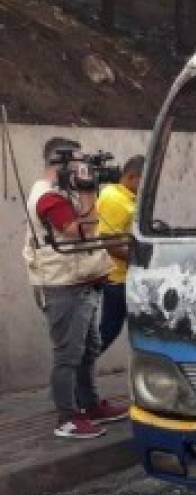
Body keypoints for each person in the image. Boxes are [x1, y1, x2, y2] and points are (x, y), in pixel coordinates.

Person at [23, 138, 126, 440]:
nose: (84, 170)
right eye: (79, 164)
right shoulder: (47, 198)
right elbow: (81, 231)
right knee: (68, 354)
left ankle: (90, 405)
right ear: (62, 163)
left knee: (89, 349)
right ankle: (67, 417)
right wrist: (87, 190)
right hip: (62, 287)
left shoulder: (57, 193)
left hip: (81, 282)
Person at [96, 155, 143, 354]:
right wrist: (142, 259)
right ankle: (78, 372)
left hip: (126, 276)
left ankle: (80, 374)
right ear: (132, 176)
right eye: (143, 180)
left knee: (112, 329)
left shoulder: (125, 197)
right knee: (109, 330)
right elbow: (109, 243)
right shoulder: (115, 199)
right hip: (118, 278)